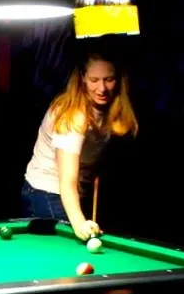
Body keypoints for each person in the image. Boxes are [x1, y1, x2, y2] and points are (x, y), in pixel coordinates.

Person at [21, 46, 139, 240]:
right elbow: (67, 181)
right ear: (83, 78)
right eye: (94, 80)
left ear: (118, 80)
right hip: (46, 192)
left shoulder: (112, 111)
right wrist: (78, 222)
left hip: (72, 192)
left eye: (109, 79)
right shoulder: (73, 115)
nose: (102, 88)